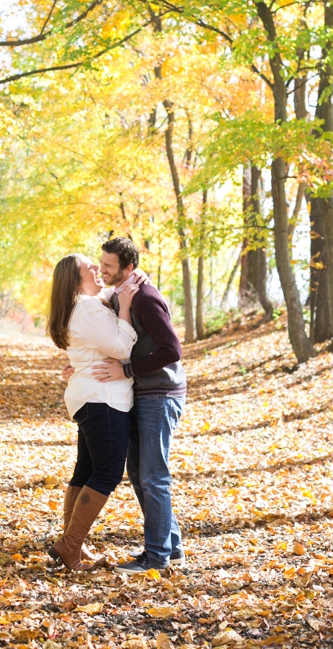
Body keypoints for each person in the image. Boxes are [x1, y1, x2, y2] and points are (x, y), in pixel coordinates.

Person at [93, 237, 187, 576]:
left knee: (153, 475)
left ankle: (157, 556)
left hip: (160, 393)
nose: (102, 269)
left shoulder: (145, 297)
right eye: (101, 263)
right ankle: (170, 547)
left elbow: (172, 350)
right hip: (142, 393)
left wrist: (128, 370)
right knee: (138, 473)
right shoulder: (123, 292)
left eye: (109, 266)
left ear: (128, 268)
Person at [45, 254, 139, 571]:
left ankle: (71, 543)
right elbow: (123, 349)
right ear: (75, 280)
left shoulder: (81, 306)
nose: (97, 270)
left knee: (86, 471)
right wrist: (126, 308)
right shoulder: (86, 308)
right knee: (107, 473)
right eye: (90, 268)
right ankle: (70, 546)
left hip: (89, 397)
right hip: (103, 400)